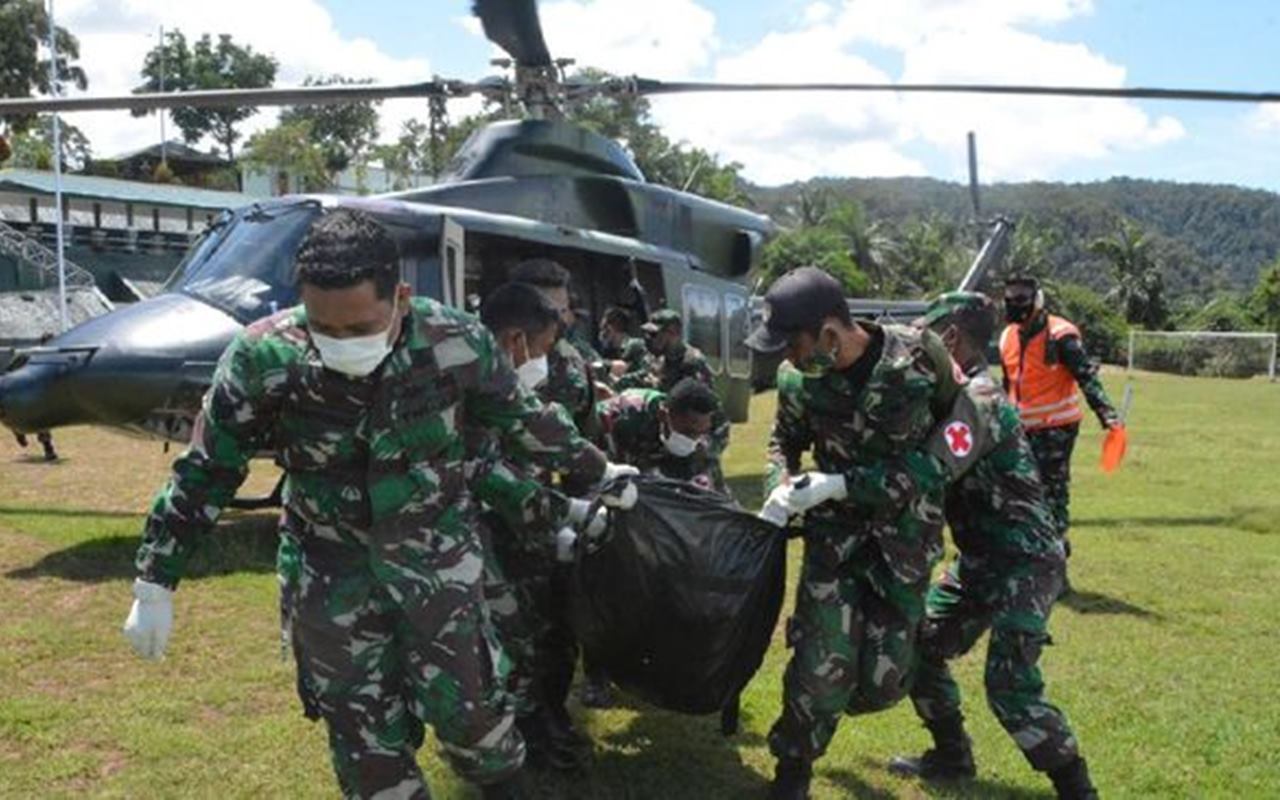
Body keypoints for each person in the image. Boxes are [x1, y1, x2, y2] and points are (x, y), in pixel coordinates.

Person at [121, 209, 634, 800]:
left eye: (361, 326)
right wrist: (154, 582)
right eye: (324, 328)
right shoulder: (264, 358)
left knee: (479, 727)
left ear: (402, 297)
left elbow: (522, 418)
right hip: (331, 584)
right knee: (367, 750)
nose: (342, 343)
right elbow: (208, 469)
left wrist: (599, 469)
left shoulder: (455, 342)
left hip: (438, 574)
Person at [816, 292, 1095, 798]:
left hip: (1026, 561)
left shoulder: (981, 402)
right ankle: (951, 755)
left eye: (923, 334)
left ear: (948, 339)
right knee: (921, 645)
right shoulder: (945, 399)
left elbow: (930, 469)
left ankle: (1078, 789)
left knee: (1010, 685)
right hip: (982, 561)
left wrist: (840, 485)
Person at [747, 267, 962, 800]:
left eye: (792, 345)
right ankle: (791, 776)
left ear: (829, 332)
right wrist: (782, 484)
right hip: (835, 546)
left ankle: (949, 744)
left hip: (905, 544)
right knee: (819, 668)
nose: (788, 360)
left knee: (885, 680)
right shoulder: (799, 381)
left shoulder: (919, 359)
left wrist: (845, 484)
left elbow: (954, 442)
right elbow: (783, 440)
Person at [474, 281, 636, 770]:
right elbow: (482, 473)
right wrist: (565, 512)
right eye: (544, 345)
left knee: (550, 625)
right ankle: (517, 742)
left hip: (533, 525)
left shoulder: (519, 378)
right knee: (507, 643)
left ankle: (543, 724)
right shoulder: (465, 385)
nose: (548, 356)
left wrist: (593, 483)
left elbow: (560, 435)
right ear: (515, 340)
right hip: (481, 533)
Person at [1000, 276, 1122, 573]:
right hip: (1020, 428)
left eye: (1022, 297)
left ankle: (1055, 569)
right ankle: (1027, 561)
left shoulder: (1061, 335)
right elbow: (1008, 385)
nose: (1015, 303)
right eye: (1011, 297)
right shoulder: (1007, 337)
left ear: (1037, 300)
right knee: (1020, 493)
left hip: (1056, 429)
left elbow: (1086, 376)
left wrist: (1106, 413)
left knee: (1051, 495)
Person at [509, 259, 601, 445]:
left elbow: (583, 436)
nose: (559, 320)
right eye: (547, 311)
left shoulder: (570, 364)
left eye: (563, 310)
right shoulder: (488, 353)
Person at [597, 377, 729, 496]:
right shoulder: (622, 419)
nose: (692, 440)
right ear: (663, 416)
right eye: (687, 432)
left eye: (700, 433)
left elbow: (716, 489)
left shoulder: (715, 425)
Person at [596, 306, 650, 386]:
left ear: (610, 328)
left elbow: (646, 371)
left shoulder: (636, 346)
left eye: (603, 329)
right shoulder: (608, 352)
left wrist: (622, 379)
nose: (601, 334)